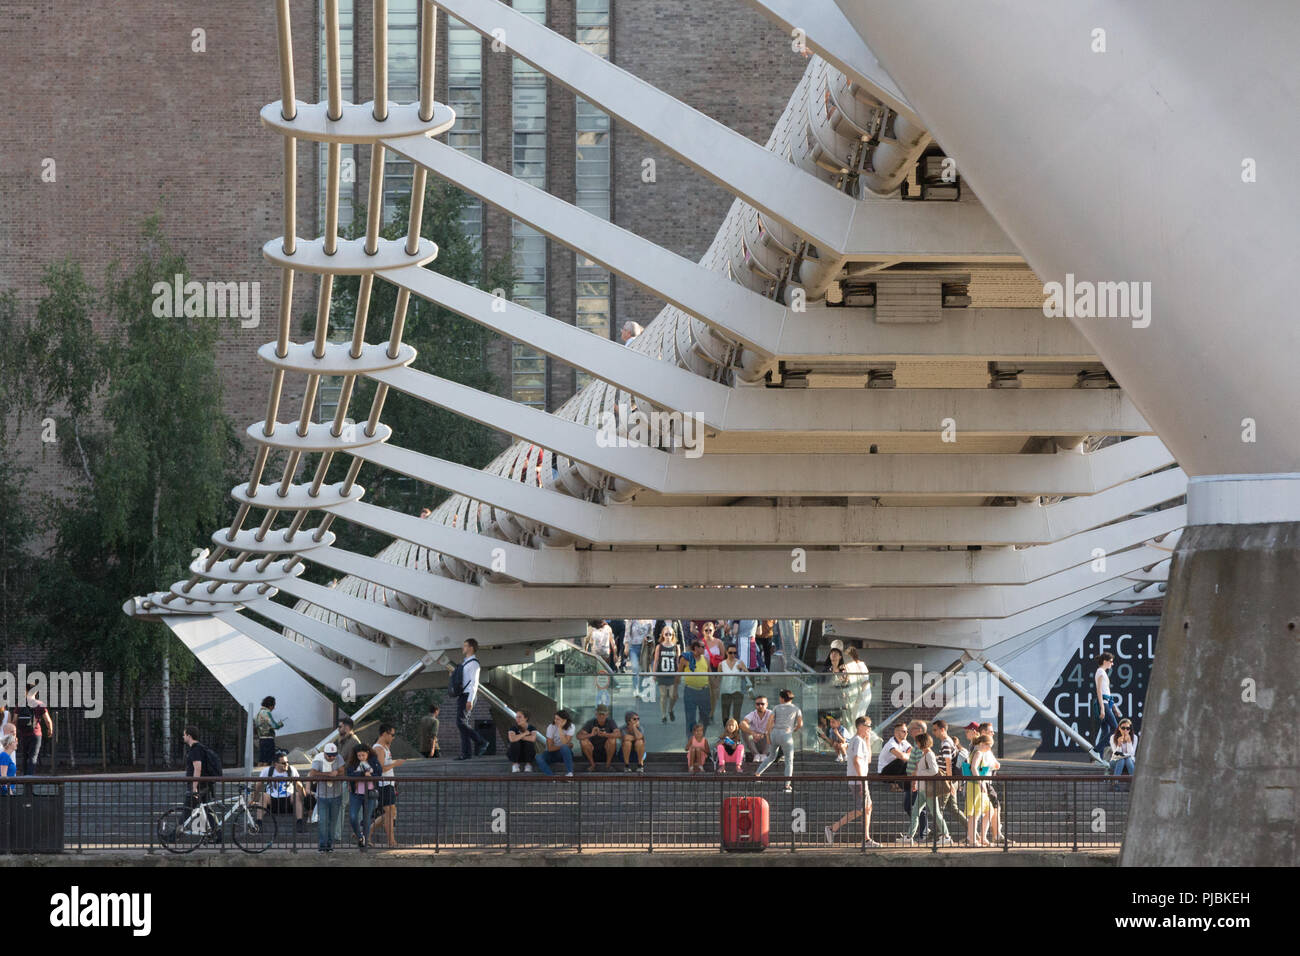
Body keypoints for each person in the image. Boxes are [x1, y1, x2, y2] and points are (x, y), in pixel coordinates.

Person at [825, 716, 879, 846]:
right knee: (865, 809)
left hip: (859, 780)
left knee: (866, 808)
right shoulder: (857, 741)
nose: (870, 728)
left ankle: (835, 829)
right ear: (860, 726)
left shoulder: (860, 741)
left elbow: (868, 760)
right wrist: (862, 779)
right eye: (868, 725)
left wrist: (867, 740)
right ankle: (863, 838)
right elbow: (856, 760)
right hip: (858, 780)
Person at [903, 733, 952, 845]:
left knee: (936, 813)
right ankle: (909, 836)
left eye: (918, 742)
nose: (916, 744)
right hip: (922, 789)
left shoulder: (929, 754)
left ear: (922, 742)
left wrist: (919, 773)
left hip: (928, 790)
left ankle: (946, 836)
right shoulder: (924, 754)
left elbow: (934, 771)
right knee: (915, 812)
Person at [754, 689, 803, 792]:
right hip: (786, 734)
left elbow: (770, 722)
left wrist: (767, 735)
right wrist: (793, 729)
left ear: (782, 698)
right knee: (789, 760)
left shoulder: (776, 708)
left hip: (774, 733)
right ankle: (787, 785)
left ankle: (757, 774)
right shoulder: (796, 709)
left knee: (771, 756)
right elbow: (800, 724)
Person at [368, 724, 408, 848]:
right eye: (392, 735)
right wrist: (396, 763)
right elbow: (380, 769)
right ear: (385, 734)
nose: (393, 737)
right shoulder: (378, 748)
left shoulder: (384, 747)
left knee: (390, 813)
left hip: (388, 784)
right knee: (390, 813)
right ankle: (391, 842)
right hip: (384, 784)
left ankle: (365, 833)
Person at [455, 638, 490, 760]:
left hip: (468, 695)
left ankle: (481, 741)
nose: (463, 648)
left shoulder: (474, 664)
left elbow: (474, 683)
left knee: (461, 722)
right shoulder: (466, 662)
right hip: (463, 695)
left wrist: (470, 699)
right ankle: (466, 753)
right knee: (462, 724)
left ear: (471, 648)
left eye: (465, 646)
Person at [257, 749, 307, 832]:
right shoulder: (267, 771)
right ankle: (259, 823)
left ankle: (300, 822)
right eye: (283, 763)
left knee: (297, 795)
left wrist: (305, 800)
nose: (286, 764)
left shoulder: (292, 770)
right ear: (276, 764)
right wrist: (252, 800)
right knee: (263, 796)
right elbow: (258, 785)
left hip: (288, 801)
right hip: (273, 801)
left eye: (287, 762)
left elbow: (299, 786)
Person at [309, 742, 346, 852]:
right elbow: (312, 774)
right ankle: (322, 845)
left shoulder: (338, 758)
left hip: (336, 795)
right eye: (329, 755)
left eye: (334, 755)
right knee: (323, 821)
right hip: (322, 796)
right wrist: (329, 774)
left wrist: (335, 774)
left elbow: (342, 772)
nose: (332, 757)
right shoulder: (318, 759)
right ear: (324, 753)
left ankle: (329, 845)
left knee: (333, 822)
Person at [932, 719, 967, 832]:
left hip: (947, 781)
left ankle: (939, 836)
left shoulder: (946, 743)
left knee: (938, 809)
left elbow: (948, 764)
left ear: (942, 730)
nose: (933, 732)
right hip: (950, 780)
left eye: (935, 730)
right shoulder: (948, 742)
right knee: (953, 808)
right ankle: (973, 831)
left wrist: (950, 782)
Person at [345, 743, 382, 850]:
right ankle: (360, 836)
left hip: (369, 793)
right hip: (356, 793)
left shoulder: (373, 761)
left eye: (363, 755)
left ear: (368, 753)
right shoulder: (353, 762)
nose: (361, 757)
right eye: (359, 755)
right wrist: (363, 774)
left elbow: (378, 773)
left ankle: (364, 844)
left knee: (366, 818)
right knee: (352, 816)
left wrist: (370, 775)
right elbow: (350, 774)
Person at [966, 734, 999, 846]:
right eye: (988, 745)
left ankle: (981, 838)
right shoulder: (979, 752)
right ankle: (973, 840)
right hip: (976, 785)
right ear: (982, 744)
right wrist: (981, 782)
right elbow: (974, 767)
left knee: (989, 811)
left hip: (977, 784)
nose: (989, 748)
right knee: (975, 814)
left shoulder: (977, 751)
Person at [901, 719, 930, 842]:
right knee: (910, 806)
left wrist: (915, 782)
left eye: (911, 729)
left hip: (917, 781)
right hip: (913, 780)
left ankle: (923, 833)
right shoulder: (917, 744)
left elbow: (919, 764)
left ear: (919, 730)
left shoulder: (921, 745)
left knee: (917, 808)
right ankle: (923, 829)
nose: (909, 731)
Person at [678, 640, 713, 742]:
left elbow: (710, 675)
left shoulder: (706, 659)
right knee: (690, 718)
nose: (704, 649)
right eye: (702, 647)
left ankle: (700, 737)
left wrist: (714, 687)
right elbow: (678, 674)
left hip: (704, 691)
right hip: (690, 691)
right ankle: (690, 740)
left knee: (705, 717)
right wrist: (674, 689)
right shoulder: (685, 659)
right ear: (696, 648)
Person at [16, 682, 52, 776]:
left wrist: (14, 733)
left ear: (26, 691)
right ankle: (29, 782)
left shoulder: (20, 703)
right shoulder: (40, 704)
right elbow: (47, 720)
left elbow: (14, 720)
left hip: (23, 734)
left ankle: (24, 780)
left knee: (24, 757)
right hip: (36, 734)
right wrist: (50, 729)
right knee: (33, 757)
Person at [578, 705, 622, 771]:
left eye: (603, 714)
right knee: (583, 741)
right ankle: (592, 765)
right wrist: (591, 734)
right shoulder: (591, 723)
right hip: (593, 752)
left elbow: (619, 734)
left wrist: (606, 734)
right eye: (599, 714)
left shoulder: (610, 722)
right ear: (596, 714)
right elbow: (579, 736)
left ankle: (608, 765)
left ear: (607, 715)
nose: (601, 716)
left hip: (606, 751)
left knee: (612, 739)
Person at [652, 623, 681, 721]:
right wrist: (654, 674)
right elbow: (656, 661)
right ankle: (663, 715)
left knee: (673, 695)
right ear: (662, 635)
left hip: (672, 674)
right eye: (666, 634)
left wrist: (679, 675)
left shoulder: (676, 647)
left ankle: (670, 709)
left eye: (670, 634)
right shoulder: (659, 647)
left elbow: (678, 662)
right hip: (662, 674)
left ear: (673, 635)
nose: (668, 636)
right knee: (663, 695)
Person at [535, 710, 576, 776]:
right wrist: (565, 745)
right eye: (555, 718)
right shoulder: (551, 727)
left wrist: (560, 728)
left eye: (558, 719)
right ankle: (552, 777)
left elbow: (564, 742)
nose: (555, 721)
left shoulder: (571, 727)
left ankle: (570, 773)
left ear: (564, 720)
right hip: (552, 754)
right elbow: (550, 748)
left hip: (564, 754)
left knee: (564, 748)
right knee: (538, 757)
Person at [716, 644, 749, 725]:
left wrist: (743, 669)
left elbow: (749, 676)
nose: (733, 655)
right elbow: (718, 679)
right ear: (727, 653)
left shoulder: (740, 662)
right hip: (725, 691)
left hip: (737, 691)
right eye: (730, 653)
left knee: (736, 715)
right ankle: (727, 733)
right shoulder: (721, 664)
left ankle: (736, 734)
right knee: (725, 715)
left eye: (735, 653)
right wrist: (716, 691)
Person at [1094, 651, 1121, 748]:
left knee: (1105, 731)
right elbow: (1099, 691)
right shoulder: (1100, 672)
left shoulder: (1102, 672)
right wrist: (1102, 708)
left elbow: (1107, 693)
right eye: (1111, 661)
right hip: (1104, 704)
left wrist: (1114, 708)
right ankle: (1096, 750)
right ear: (1105, 661)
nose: (1112, 664)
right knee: (1115, 729)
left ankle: (1097, 757)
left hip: (1106, 704)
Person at [740, 696, 774, 764]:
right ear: (755, 705)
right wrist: (752, 733)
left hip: (766, 741)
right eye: (758, 704)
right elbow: (742, 723)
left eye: (762, 704)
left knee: (773, 731)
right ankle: (756, 754)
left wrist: (763, 734)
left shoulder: (771, 713)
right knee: (744, 731)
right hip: (753, 741)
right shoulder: (753, 714)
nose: (760, 706)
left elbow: (775, 725)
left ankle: (764, 754)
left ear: (767, 704)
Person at [625, 618, 655, 693]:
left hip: (644, 648)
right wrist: (626, 646)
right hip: (633, 647)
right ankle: (635, 689)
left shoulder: (649, 620)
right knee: (635, 667)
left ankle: (641, 688)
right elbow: (627, 633)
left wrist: (648, 638)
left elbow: (651, 635)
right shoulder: (632, 619)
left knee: (643, 668)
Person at [843, 647, 871, 723]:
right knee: (858, 716)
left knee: (856, 718)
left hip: (861, 693)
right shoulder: (861, 664)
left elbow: (864, 681)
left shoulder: (857, 666)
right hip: (863, 693)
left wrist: (858, 693)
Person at [254, 696, 283, 767]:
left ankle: (258, 776)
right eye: (274, 706)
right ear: (270, 705)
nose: (274, 708)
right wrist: (279, 724)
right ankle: (267, 777)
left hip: (261, 739)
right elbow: (274, 725)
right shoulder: (267, 713)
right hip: (268, 739)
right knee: (268, 760)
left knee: (261, 759)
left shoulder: (258, 714)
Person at [1109, 719, 1138, 791]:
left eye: (1128, 728)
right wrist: (1119, 744)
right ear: (1119, 728)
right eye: (1123, 728)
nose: (1125, 730)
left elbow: (1132, 754)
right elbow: (1116, 754)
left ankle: (1131, 784)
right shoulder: (1113, 737)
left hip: (1129, 762)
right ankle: (1117, 784)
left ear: (1130, 729)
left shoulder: (1134, 737)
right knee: (1121, 760)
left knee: (1127, 759)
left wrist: (1129, 742)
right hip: (1115, 761)